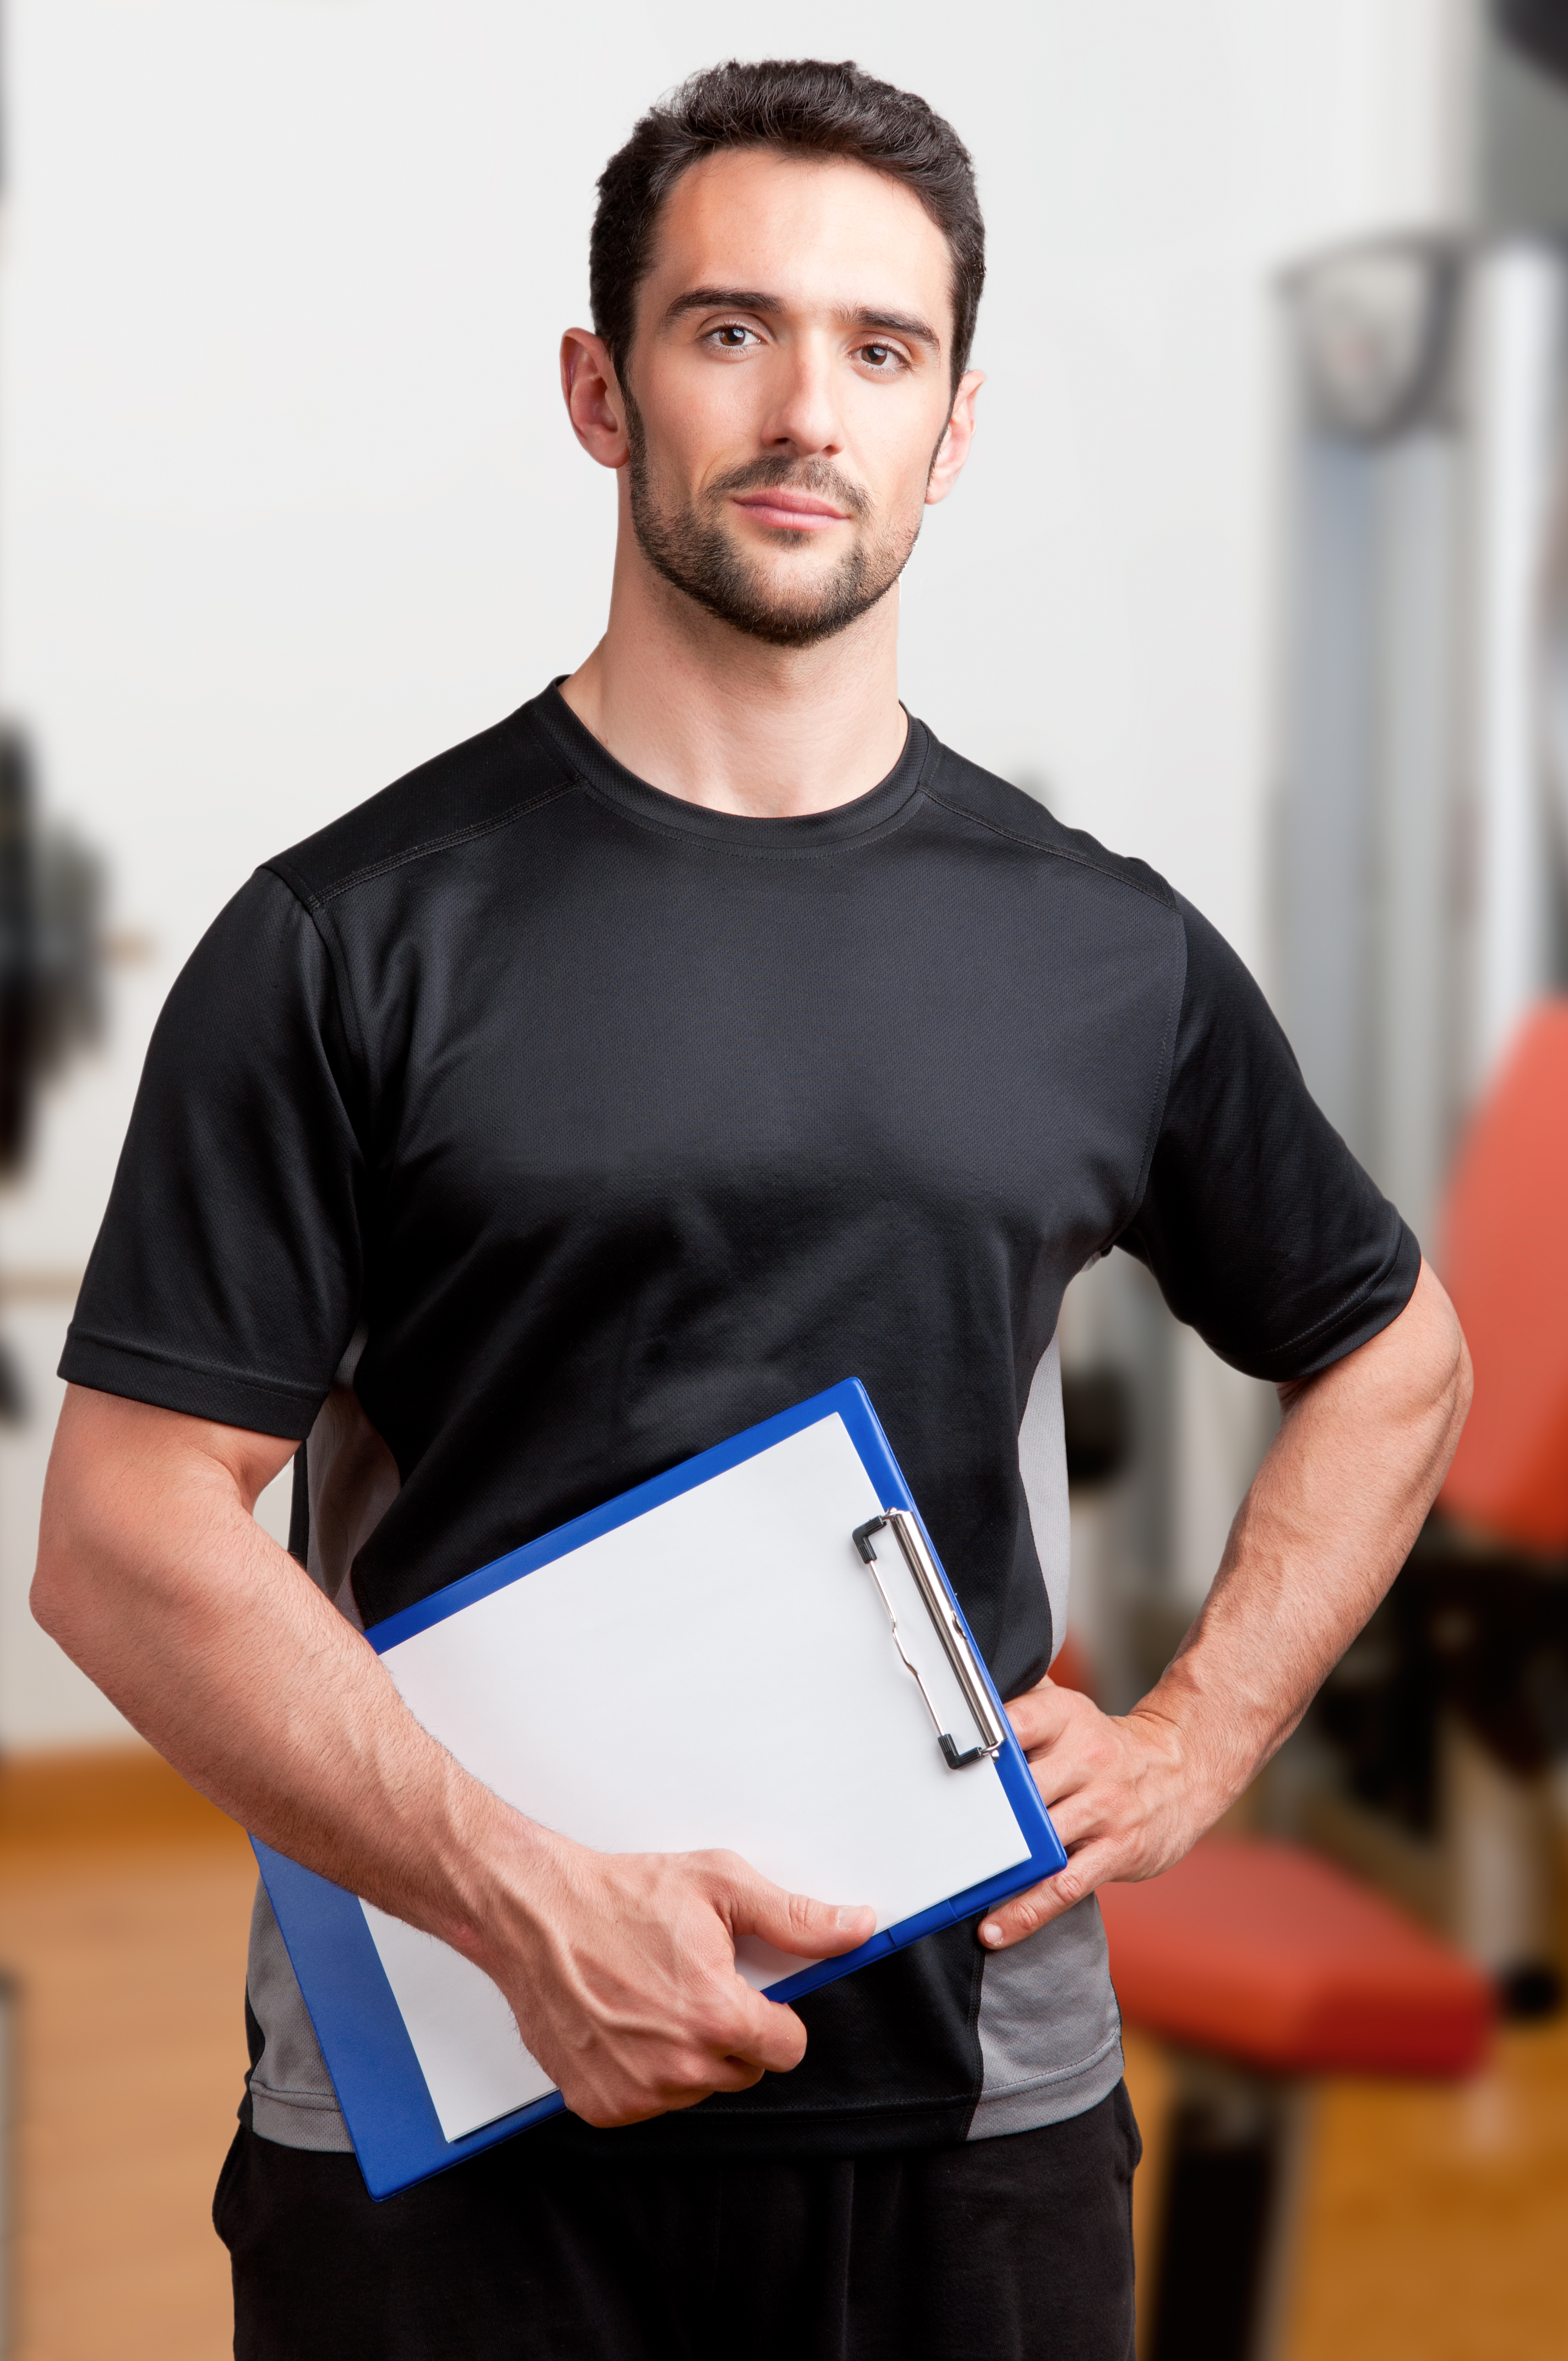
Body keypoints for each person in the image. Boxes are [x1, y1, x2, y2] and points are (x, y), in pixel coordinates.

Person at [32, 56, 1469, 2361]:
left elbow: (1393, 1354)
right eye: (732, 331)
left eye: (879, 350)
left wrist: (1206, 1731)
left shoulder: (1101, 951)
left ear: (954, 428)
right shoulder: (348, 936)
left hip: (963, 2108)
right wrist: (526, 1906)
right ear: (602, 392)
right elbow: (120, 1531)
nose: (809, 406)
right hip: (446, 2098)